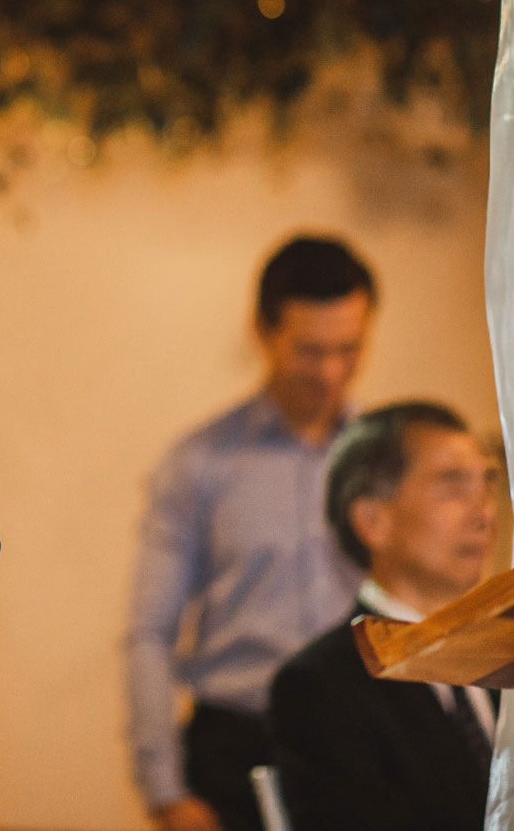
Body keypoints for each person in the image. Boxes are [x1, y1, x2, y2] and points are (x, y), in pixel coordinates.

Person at [127, 237, 376, 831]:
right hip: (234, 748)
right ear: (262, 332)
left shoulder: (386, 461)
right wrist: (164, 788)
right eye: (310, 351)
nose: (331, 372)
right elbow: (149, 632)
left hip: (360, 742)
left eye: (349, 349)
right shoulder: (200, 463)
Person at [266, 401, 499, 831]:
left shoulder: (512, 653)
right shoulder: (321, 687)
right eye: (452, 486)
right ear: (373, 521)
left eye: (487, 484)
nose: (485, 512)